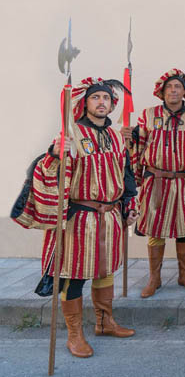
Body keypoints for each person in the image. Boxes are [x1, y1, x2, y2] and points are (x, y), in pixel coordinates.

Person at [13, 77, 138, 358]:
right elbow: (49, 171)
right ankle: (74, 335)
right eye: (96, 98)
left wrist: (130, 203)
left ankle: (105, 322)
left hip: (110, 217)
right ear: (85, 103)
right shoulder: (71, 136)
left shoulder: (117, 137)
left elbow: (126, 176)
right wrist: (55, 154)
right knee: (75, 275)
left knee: (105, 271)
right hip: (78, 219)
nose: (102, 102)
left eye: (106, 98)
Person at [122, 69, 185, 298]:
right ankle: (154, 277)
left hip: (184, 183)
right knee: (155, 229)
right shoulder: (148, 115)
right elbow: (138, 147)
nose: (173, 90)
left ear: (184, 91)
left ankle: (184, 274)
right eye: (169, 87)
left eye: (177, 87)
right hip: (156, 182)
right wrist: (130, 139)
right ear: (162, 91)